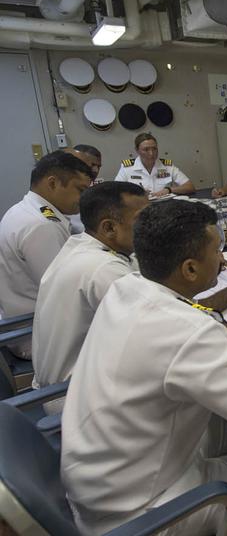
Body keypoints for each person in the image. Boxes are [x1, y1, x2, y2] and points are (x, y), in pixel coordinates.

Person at [61, 199, 227, 534]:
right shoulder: (188, 331)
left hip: (102, 481)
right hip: (145, 513)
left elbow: (186, 321)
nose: (222, 260)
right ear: (190, 269)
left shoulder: (128, 286)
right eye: (216, 251)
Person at [32, 182, 148, 390]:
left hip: (69, 376)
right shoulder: (103, 269)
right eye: (142, 219)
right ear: (109, 227)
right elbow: (157, 329)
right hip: (72, 393)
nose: (151, 225)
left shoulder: (82, 244)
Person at [0, 151, 93, 358]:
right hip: (37, 337)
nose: (83, 199)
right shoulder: (41, 226)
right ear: (52, 183)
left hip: (25, 322)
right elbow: (64, 293)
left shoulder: (24, 210)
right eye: (80, 190)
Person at [115, 133, 196, 197]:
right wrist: (136, 193)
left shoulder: (167, 166)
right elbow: (115, 192)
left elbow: (190, 187)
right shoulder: (127, 168)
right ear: (137, 150)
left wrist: (169, 190)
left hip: (165, 207)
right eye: (146, 150)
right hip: (139, 208)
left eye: (154, 149)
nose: (151, 153)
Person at [68, 144, 104, 234]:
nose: (95, 170)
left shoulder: (97, 191)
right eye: (92, 165)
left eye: (98, 166)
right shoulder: (64, 190)